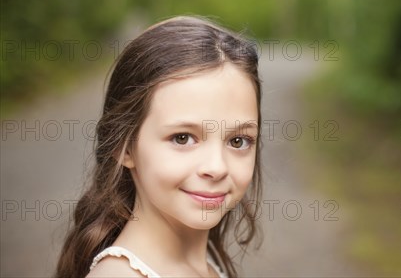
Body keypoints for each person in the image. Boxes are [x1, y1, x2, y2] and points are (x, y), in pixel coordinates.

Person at [54, 16, 263, 278]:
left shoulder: (204, 268)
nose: (217, 167)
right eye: (183, 138)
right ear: (124, 146)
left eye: (237, 141)